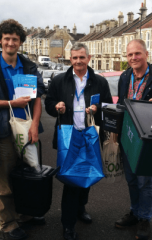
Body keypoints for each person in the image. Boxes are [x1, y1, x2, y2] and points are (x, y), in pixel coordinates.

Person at [0, 19, 45, 240]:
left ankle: (25, 214)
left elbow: (37, 98)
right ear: (0, 41)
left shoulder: (29, 66)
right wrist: (11, 104)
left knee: (28, 172)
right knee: (6, 177)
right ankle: (8, 224)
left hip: (28, 129)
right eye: (6, 39)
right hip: (4, 131)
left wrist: (35, 125)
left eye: (15, 39)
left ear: (20, 42)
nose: (11, 42)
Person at [45, 42, 112, 240]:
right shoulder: (59, 80)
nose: (78, 61)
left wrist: (97, 109)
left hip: (90, 136)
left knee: (87, 175)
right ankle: (68, 224)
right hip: (69, 135)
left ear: (88, 58)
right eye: (74, 58)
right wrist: (56, 106)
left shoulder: (99, 81)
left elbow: (107, 104)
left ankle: (81, 208)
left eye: (82, 57)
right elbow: (48, 103)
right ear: (70, 59)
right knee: (70, 180)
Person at [115, 39, 152, 240]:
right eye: (130, 55)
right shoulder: (125, 77)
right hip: (128, 135)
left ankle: (145, 219)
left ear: (146, 54)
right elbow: (122, 105)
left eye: (137, 54)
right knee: (131, 179)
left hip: (147, 139)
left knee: (144, 182)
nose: (133, 58)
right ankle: (134, 211)